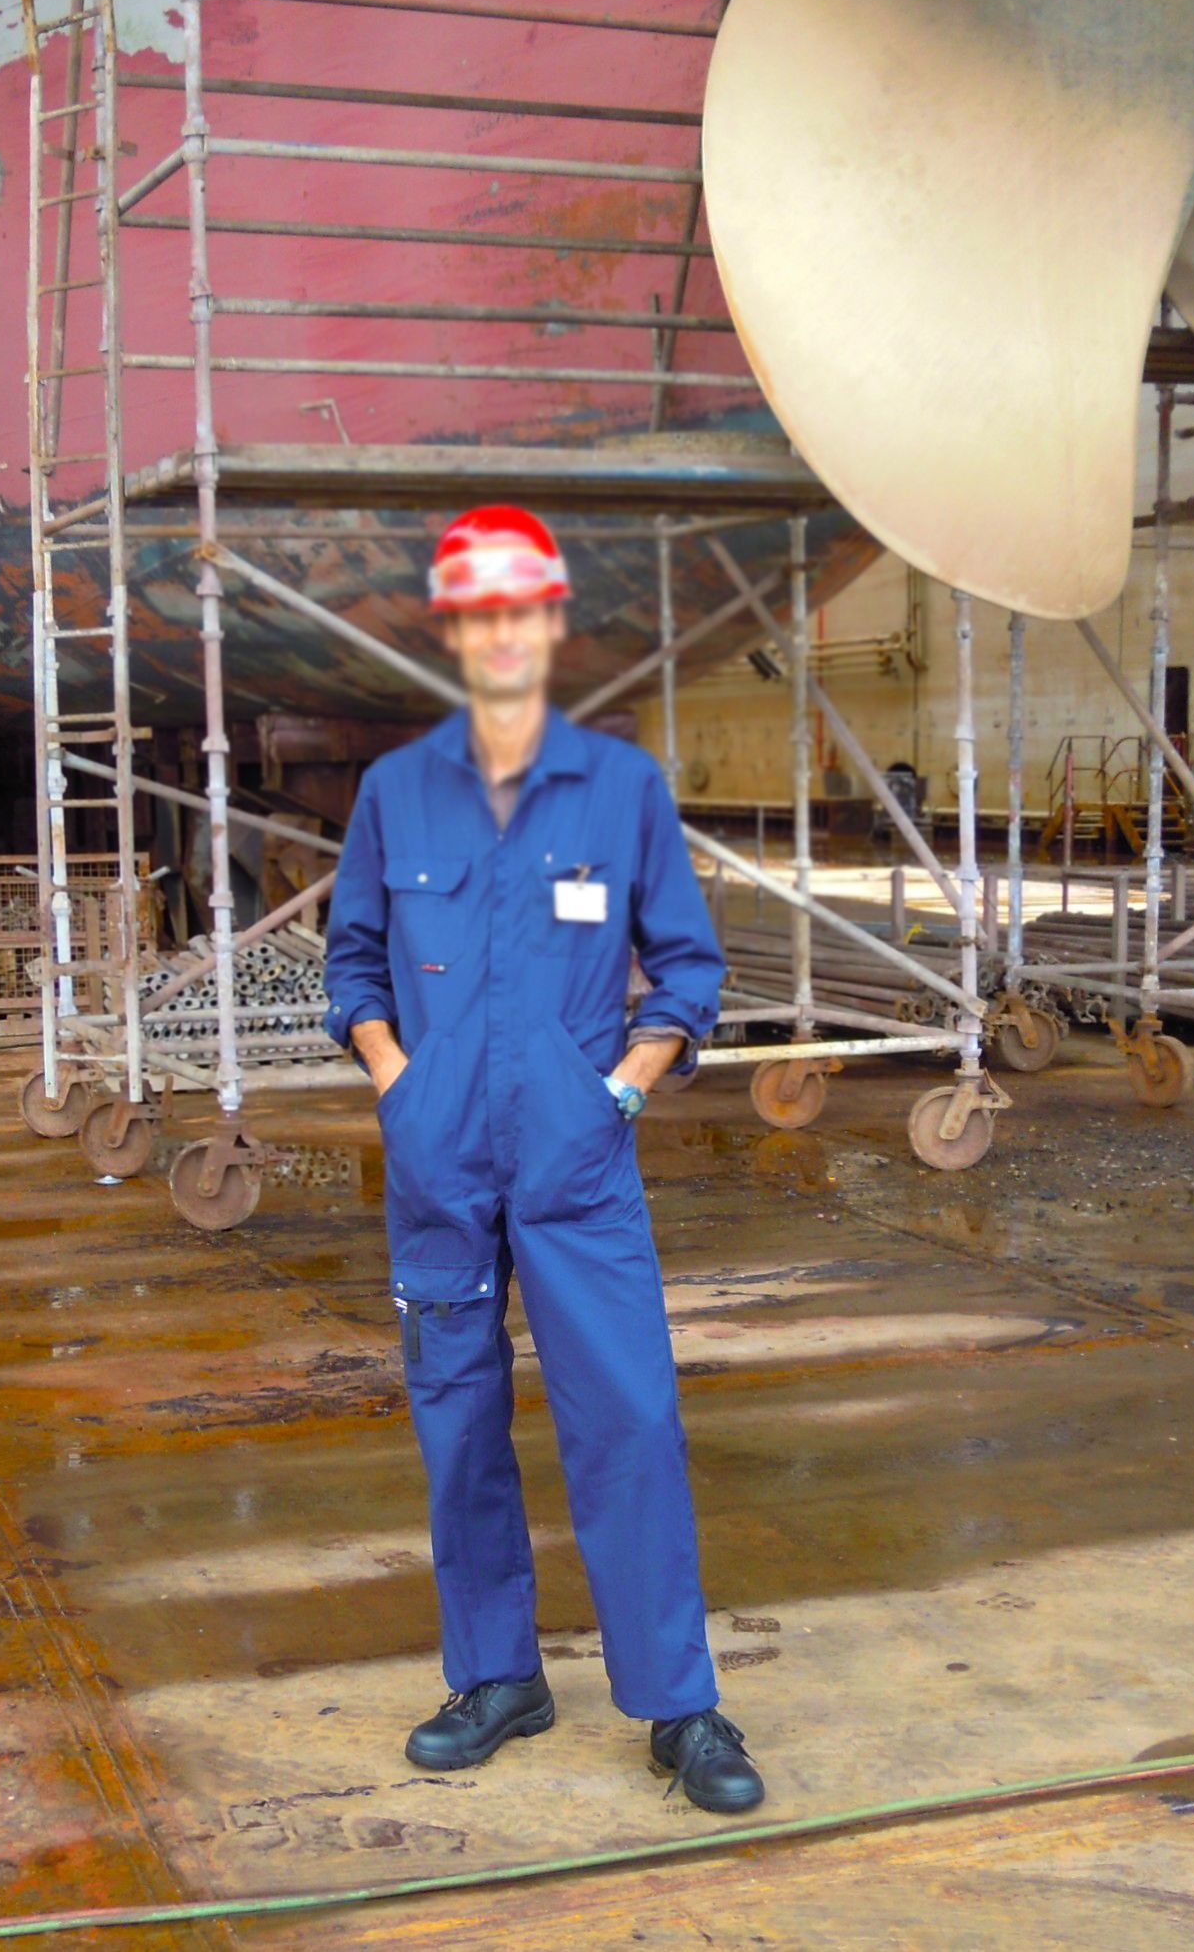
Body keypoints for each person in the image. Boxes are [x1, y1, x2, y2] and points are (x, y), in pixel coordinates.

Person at [320, 503, 764, 1813]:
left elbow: (687, 970)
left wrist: (618, 1094)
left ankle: (682, 1708)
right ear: (455, 630)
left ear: (551, 625)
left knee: (628, 1416)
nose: (503, 633)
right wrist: (400, 1082)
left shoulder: (620, 789)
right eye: (479, 612)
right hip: (438, 1165)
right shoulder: (394, 794)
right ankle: (496, 1676)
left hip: (577, 1164)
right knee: (456, 1421)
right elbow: (351, 963)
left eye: (524, 609)